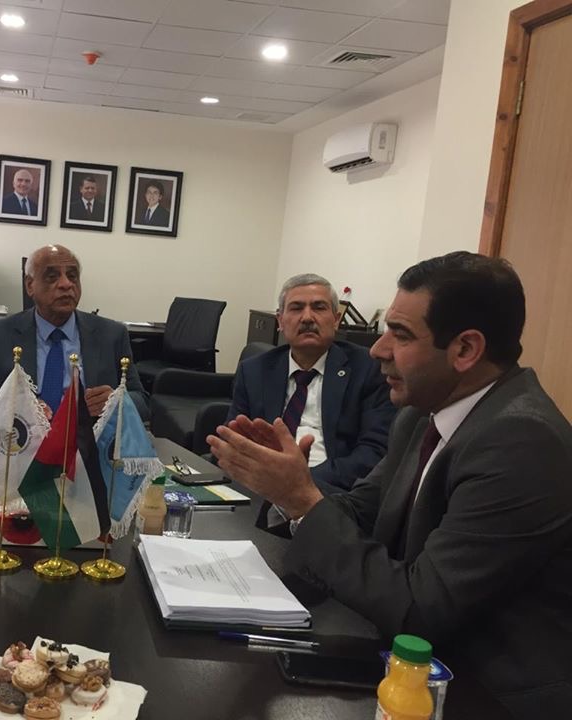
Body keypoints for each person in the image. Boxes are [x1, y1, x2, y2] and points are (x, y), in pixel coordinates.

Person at [209, 252, 572, 716]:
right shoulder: (422, 415)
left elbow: (422, 609)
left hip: (487, 690)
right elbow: (360, 509)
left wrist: (301, 499)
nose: (377, 350)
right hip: (402, 657)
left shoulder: (521, 440)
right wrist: (289, 493)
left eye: (399, 334)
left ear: (465, 349)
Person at [228, 273, 395, 496]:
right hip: (261, 486)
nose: (307, 317)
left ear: (336, 319)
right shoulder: (254, 370)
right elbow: (235, 438)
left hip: (333, 491)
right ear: (280, 321)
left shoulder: (369, 369)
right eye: (296, 308)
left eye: (319, 307)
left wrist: (299, 481)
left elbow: (374, 452)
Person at [0, 244, 148, 426]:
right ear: (30, 285)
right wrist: (14, 413)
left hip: (90, 442)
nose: (66, 284)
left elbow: (142, 402)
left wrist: (118, 402)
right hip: (22, 442)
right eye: (52, 277)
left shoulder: (112, 335)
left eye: (72, 276)